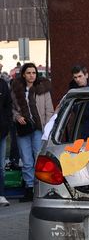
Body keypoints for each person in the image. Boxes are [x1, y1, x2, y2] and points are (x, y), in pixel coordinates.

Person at [11, 63, 54, 202]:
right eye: (28, 73)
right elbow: (11, 108)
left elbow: (49, 110)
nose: (31, 75)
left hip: (38, 129)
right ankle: (29, 188)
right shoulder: (17, 90)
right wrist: (17, 117)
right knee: (26, 160)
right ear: (23, 74)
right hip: (23, 129)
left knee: (38, 158)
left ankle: (39, 188)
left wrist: (46, 129)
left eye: (34, 73)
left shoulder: (43, 90)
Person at [0, 72, 12, 206]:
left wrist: (7, 123)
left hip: (1, 131)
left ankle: (1, 194)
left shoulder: (3, 85)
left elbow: (8, 105)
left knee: (1, 166)